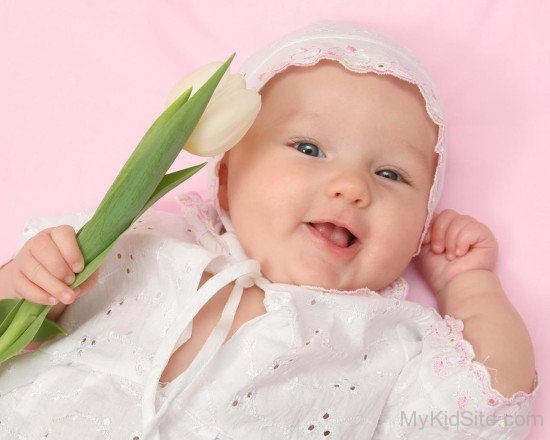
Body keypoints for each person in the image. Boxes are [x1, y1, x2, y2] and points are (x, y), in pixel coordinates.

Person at [0, 19, 540, 439]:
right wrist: (28, 282)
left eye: (391, 173)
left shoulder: (384, 341)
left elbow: (487, 412)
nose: (352, 186)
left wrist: (469, 287)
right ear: (228, 176)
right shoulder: (139, 245)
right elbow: (13, 330)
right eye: (309, 149)